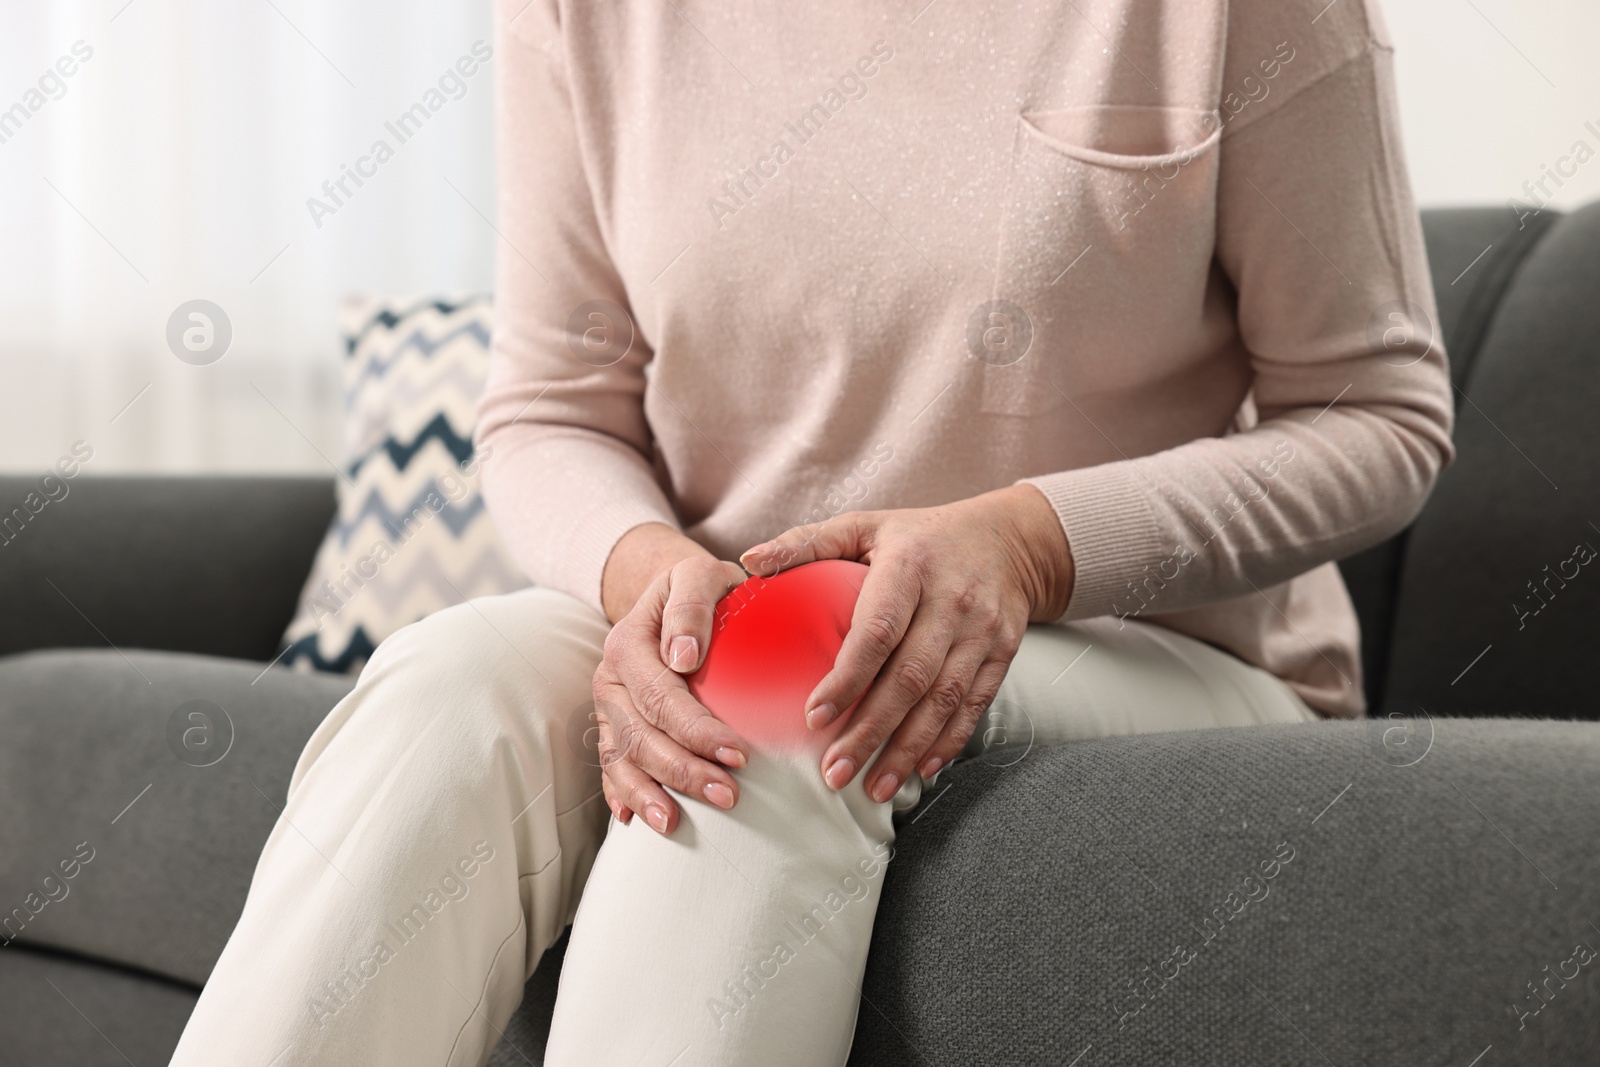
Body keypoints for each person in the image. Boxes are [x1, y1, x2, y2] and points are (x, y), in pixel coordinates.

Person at [170, 0, 1452, 1063]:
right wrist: (655, 585)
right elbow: (549, 411)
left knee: (780, 663)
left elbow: (1379, 419)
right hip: (742, 608)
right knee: (452, 683)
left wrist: (1025, 544)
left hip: (1162, 659)